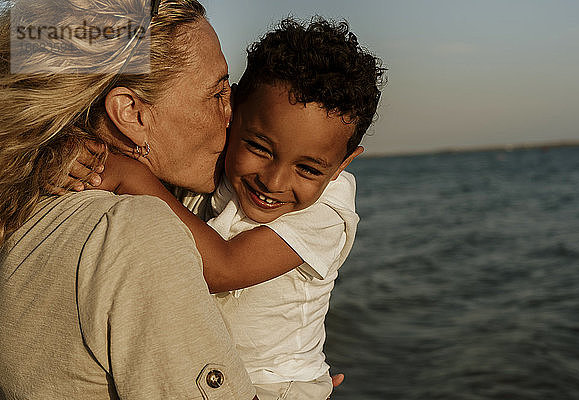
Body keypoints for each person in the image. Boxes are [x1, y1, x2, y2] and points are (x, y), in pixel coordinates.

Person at [74, 18, 385, 400]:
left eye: (307, 168)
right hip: (213, 371)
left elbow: (224, 268)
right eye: (258, 147)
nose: (272, 181)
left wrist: (133, 178)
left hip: (278, 386)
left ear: (341, 165)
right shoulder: (214, 170)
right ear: (232, 111)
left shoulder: (326, 213)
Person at [0, 1, 258, 398]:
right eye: (217, 93)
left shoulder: (25, 209)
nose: (234, 114)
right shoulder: (136, 235)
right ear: (131, 114)